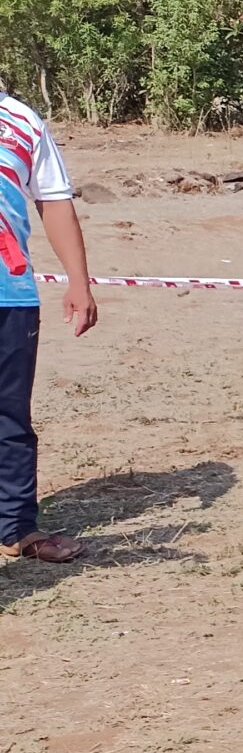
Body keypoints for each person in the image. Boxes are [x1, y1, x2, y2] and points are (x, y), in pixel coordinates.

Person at [0, 86, 97, 565]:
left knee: (9, 417)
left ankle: (16, 527)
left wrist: (79, 281)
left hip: (10, 294)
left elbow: (54, 201)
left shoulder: (22, 120)